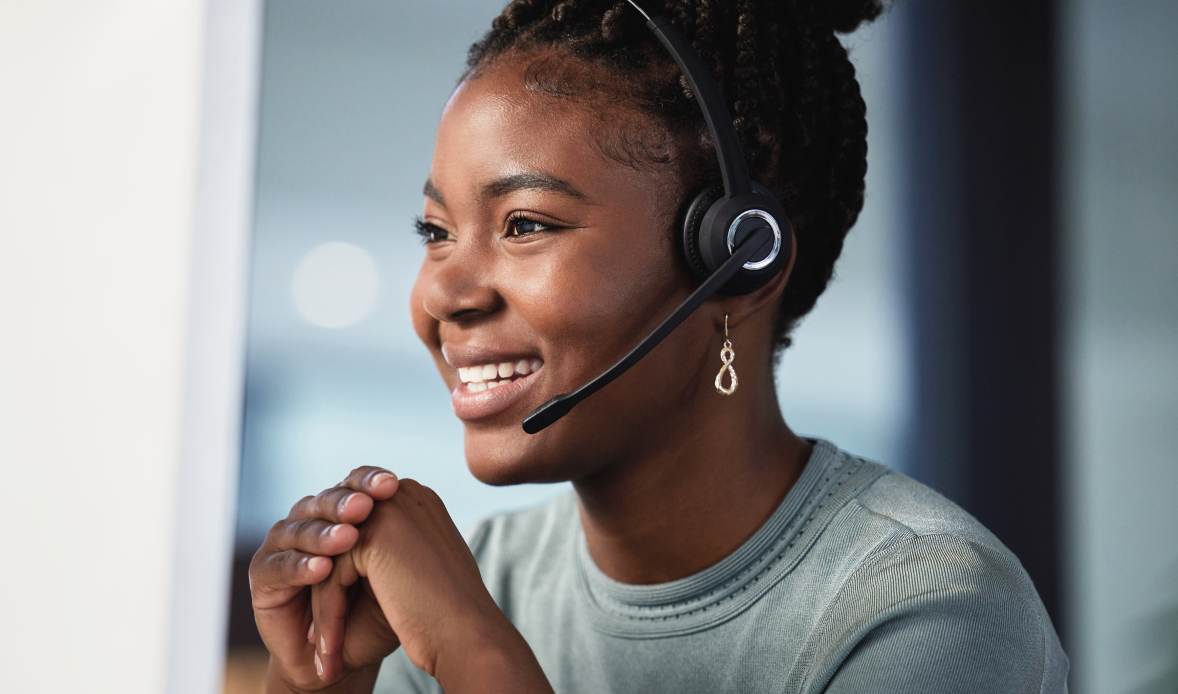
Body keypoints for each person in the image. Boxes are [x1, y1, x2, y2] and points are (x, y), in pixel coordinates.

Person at [248, 1, 1069, 692]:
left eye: (525, 225)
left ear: (737, 261)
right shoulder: (480, 575)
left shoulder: (928, 607)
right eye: (435, 231)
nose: (442, 296)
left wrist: (477, 656)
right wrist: (316, 683)